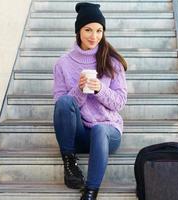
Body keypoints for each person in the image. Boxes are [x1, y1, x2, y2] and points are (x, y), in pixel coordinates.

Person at [52, 2, 127, 200]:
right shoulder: (63, 64)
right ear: (78, 31)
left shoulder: (112, 62)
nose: (94, 36)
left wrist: (100, 89)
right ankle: (70, 163)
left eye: (99, 30)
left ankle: (91, 191)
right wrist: (80, 89)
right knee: (65, 102)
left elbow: (119, 102)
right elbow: (61, 107)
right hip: (79, 134)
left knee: (100, 128)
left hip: (107, 132)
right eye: (88, 30)